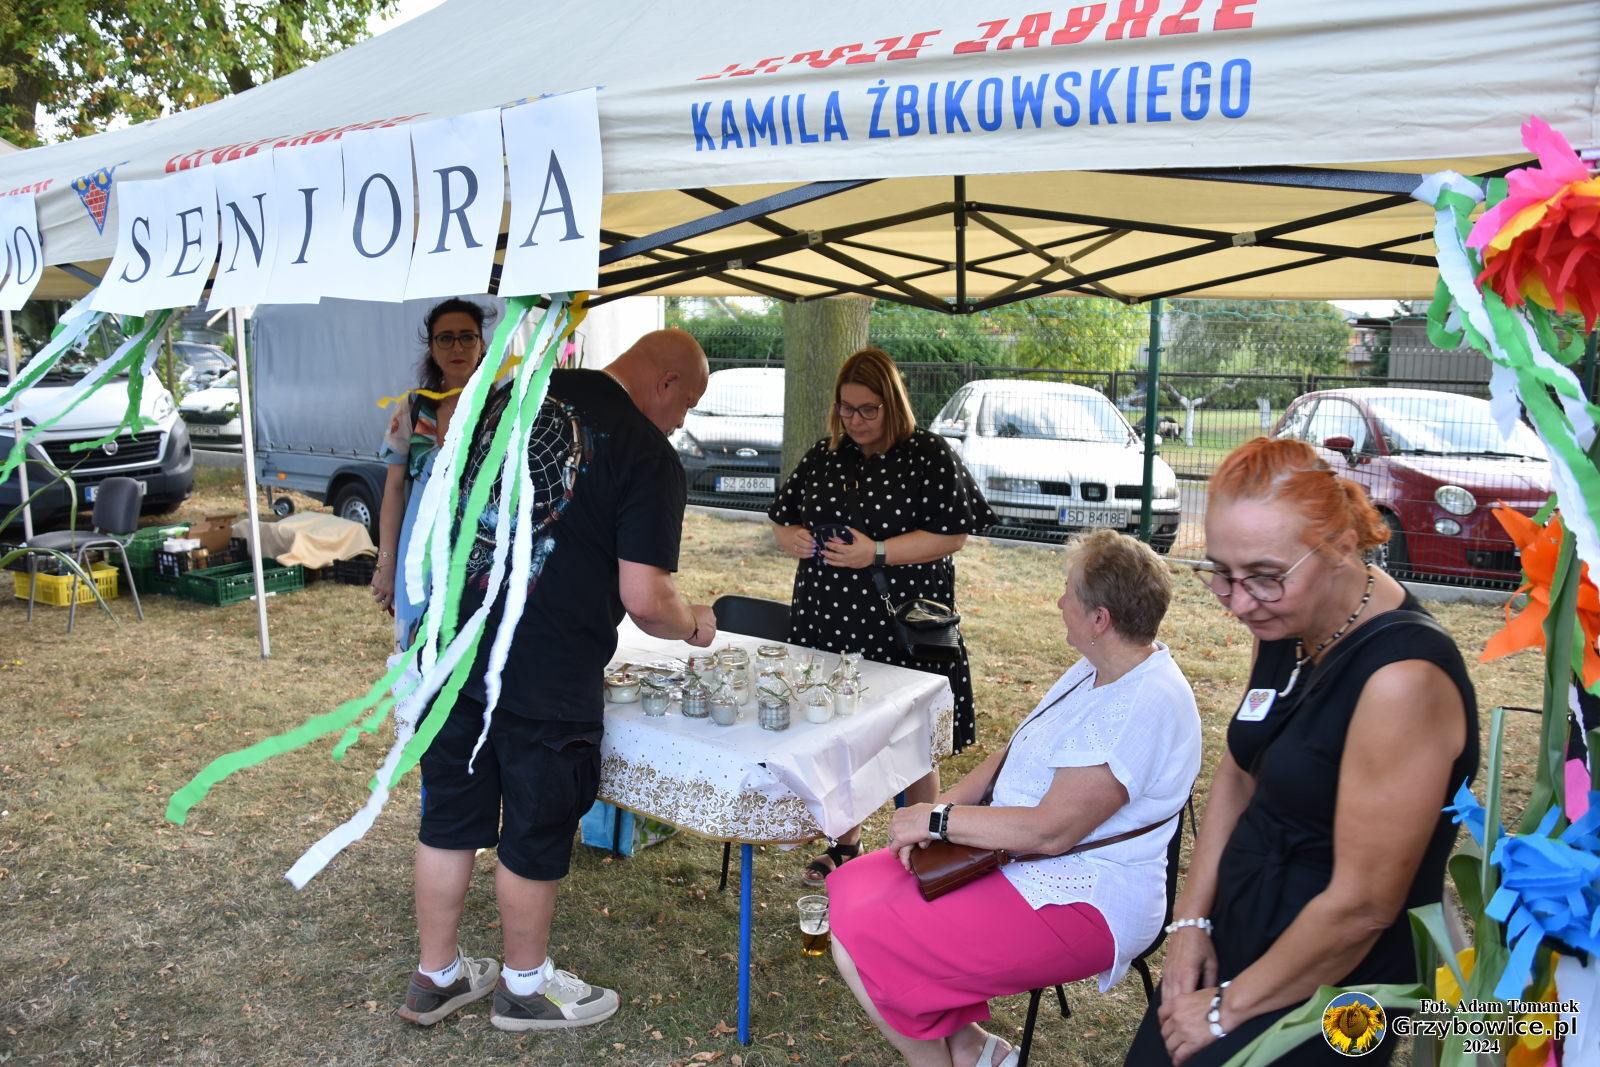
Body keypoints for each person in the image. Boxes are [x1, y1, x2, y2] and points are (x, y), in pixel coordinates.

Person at [395, 328, 718, 1034]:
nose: (681, 420)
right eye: (687, 404)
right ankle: (524, 987)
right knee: (535, 832)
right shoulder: (645, 452)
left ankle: (435, 975)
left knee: (448, 821)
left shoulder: (506, 398)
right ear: (665, 383)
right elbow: (646, 597)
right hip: (547, 671)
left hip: (453, 651)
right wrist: (692, 621)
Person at [1124, 437, 1479, 1067]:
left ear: (1342, 545)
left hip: (1338, 983)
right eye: (1221, 573)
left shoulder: (1402, 680)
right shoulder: (1286, 618)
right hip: (1241, 928)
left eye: (1264, 576)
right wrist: (1190, 923)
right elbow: (1240, 772)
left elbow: (1362, 908)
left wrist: (1226, 1008)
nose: (1238, 602)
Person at [827, 529, 1201, 1067]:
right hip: (1015, 854)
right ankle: (975, 1051)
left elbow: (1051, 831)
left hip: (1084, 896)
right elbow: (1016, 750)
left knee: (866, 936)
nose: (1060, 602)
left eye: (1069, 592)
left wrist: (939, 821)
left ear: (1100, 619)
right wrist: (936, 811)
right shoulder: (1100, 666)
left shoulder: (1140, 704)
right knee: (851, 888)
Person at [768, 347, 995, 886]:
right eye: (846, 408)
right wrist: (791, 538)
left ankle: (919, 847)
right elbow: (782, 518)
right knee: (838, 732)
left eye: (868, 409)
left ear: (892, 404)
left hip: (899, 620)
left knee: (911, 738)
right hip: (827, 616)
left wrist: (877, 552)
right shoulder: (825, 455)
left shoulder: (927, 454)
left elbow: (953, 534)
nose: (855, 420)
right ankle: (844, 846)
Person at [372, 298, 491, 641]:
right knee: (416, 649)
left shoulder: (503, 408)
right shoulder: (411, 408)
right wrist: (386, 562)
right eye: (446, 338)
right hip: (418, 555)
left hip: (480, 557)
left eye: (467, 337)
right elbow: (394, 489)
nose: (457, 347)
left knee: (473, 651)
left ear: (481, 344)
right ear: (432, 347)